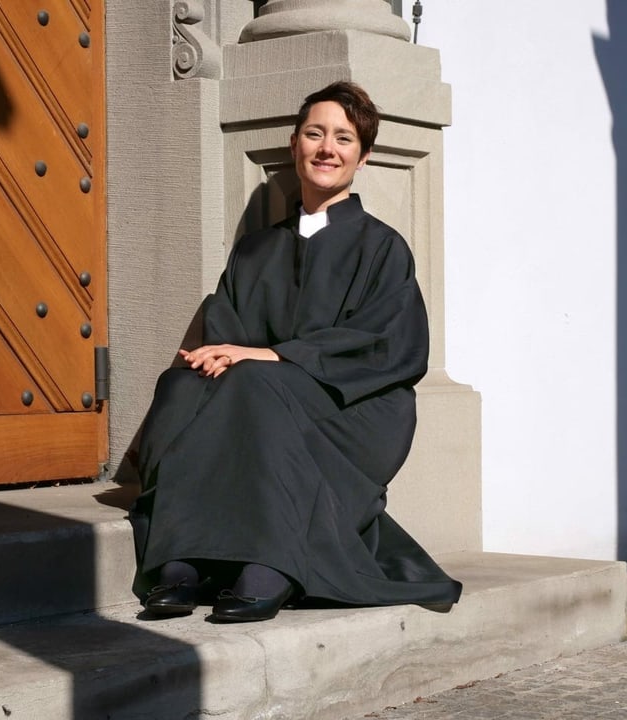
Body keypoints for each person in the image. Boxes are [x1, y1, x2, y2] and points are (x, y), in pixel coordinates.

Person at [129, 81, 462, 623]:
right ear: (294, 145)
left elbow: (388, 344)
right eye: (315, 133)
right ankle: (182, 558)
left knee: (254, 383)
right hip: (258, 396)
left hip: (353, 406)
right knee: (181, 386)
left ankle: (272, 566)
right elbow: (227, 333)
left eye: (344, 138)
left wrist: (274, 357)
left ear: (363, 156)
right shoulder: (257, 248)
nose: (327, 148)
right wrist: (225, 357)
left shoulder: (383, 248)